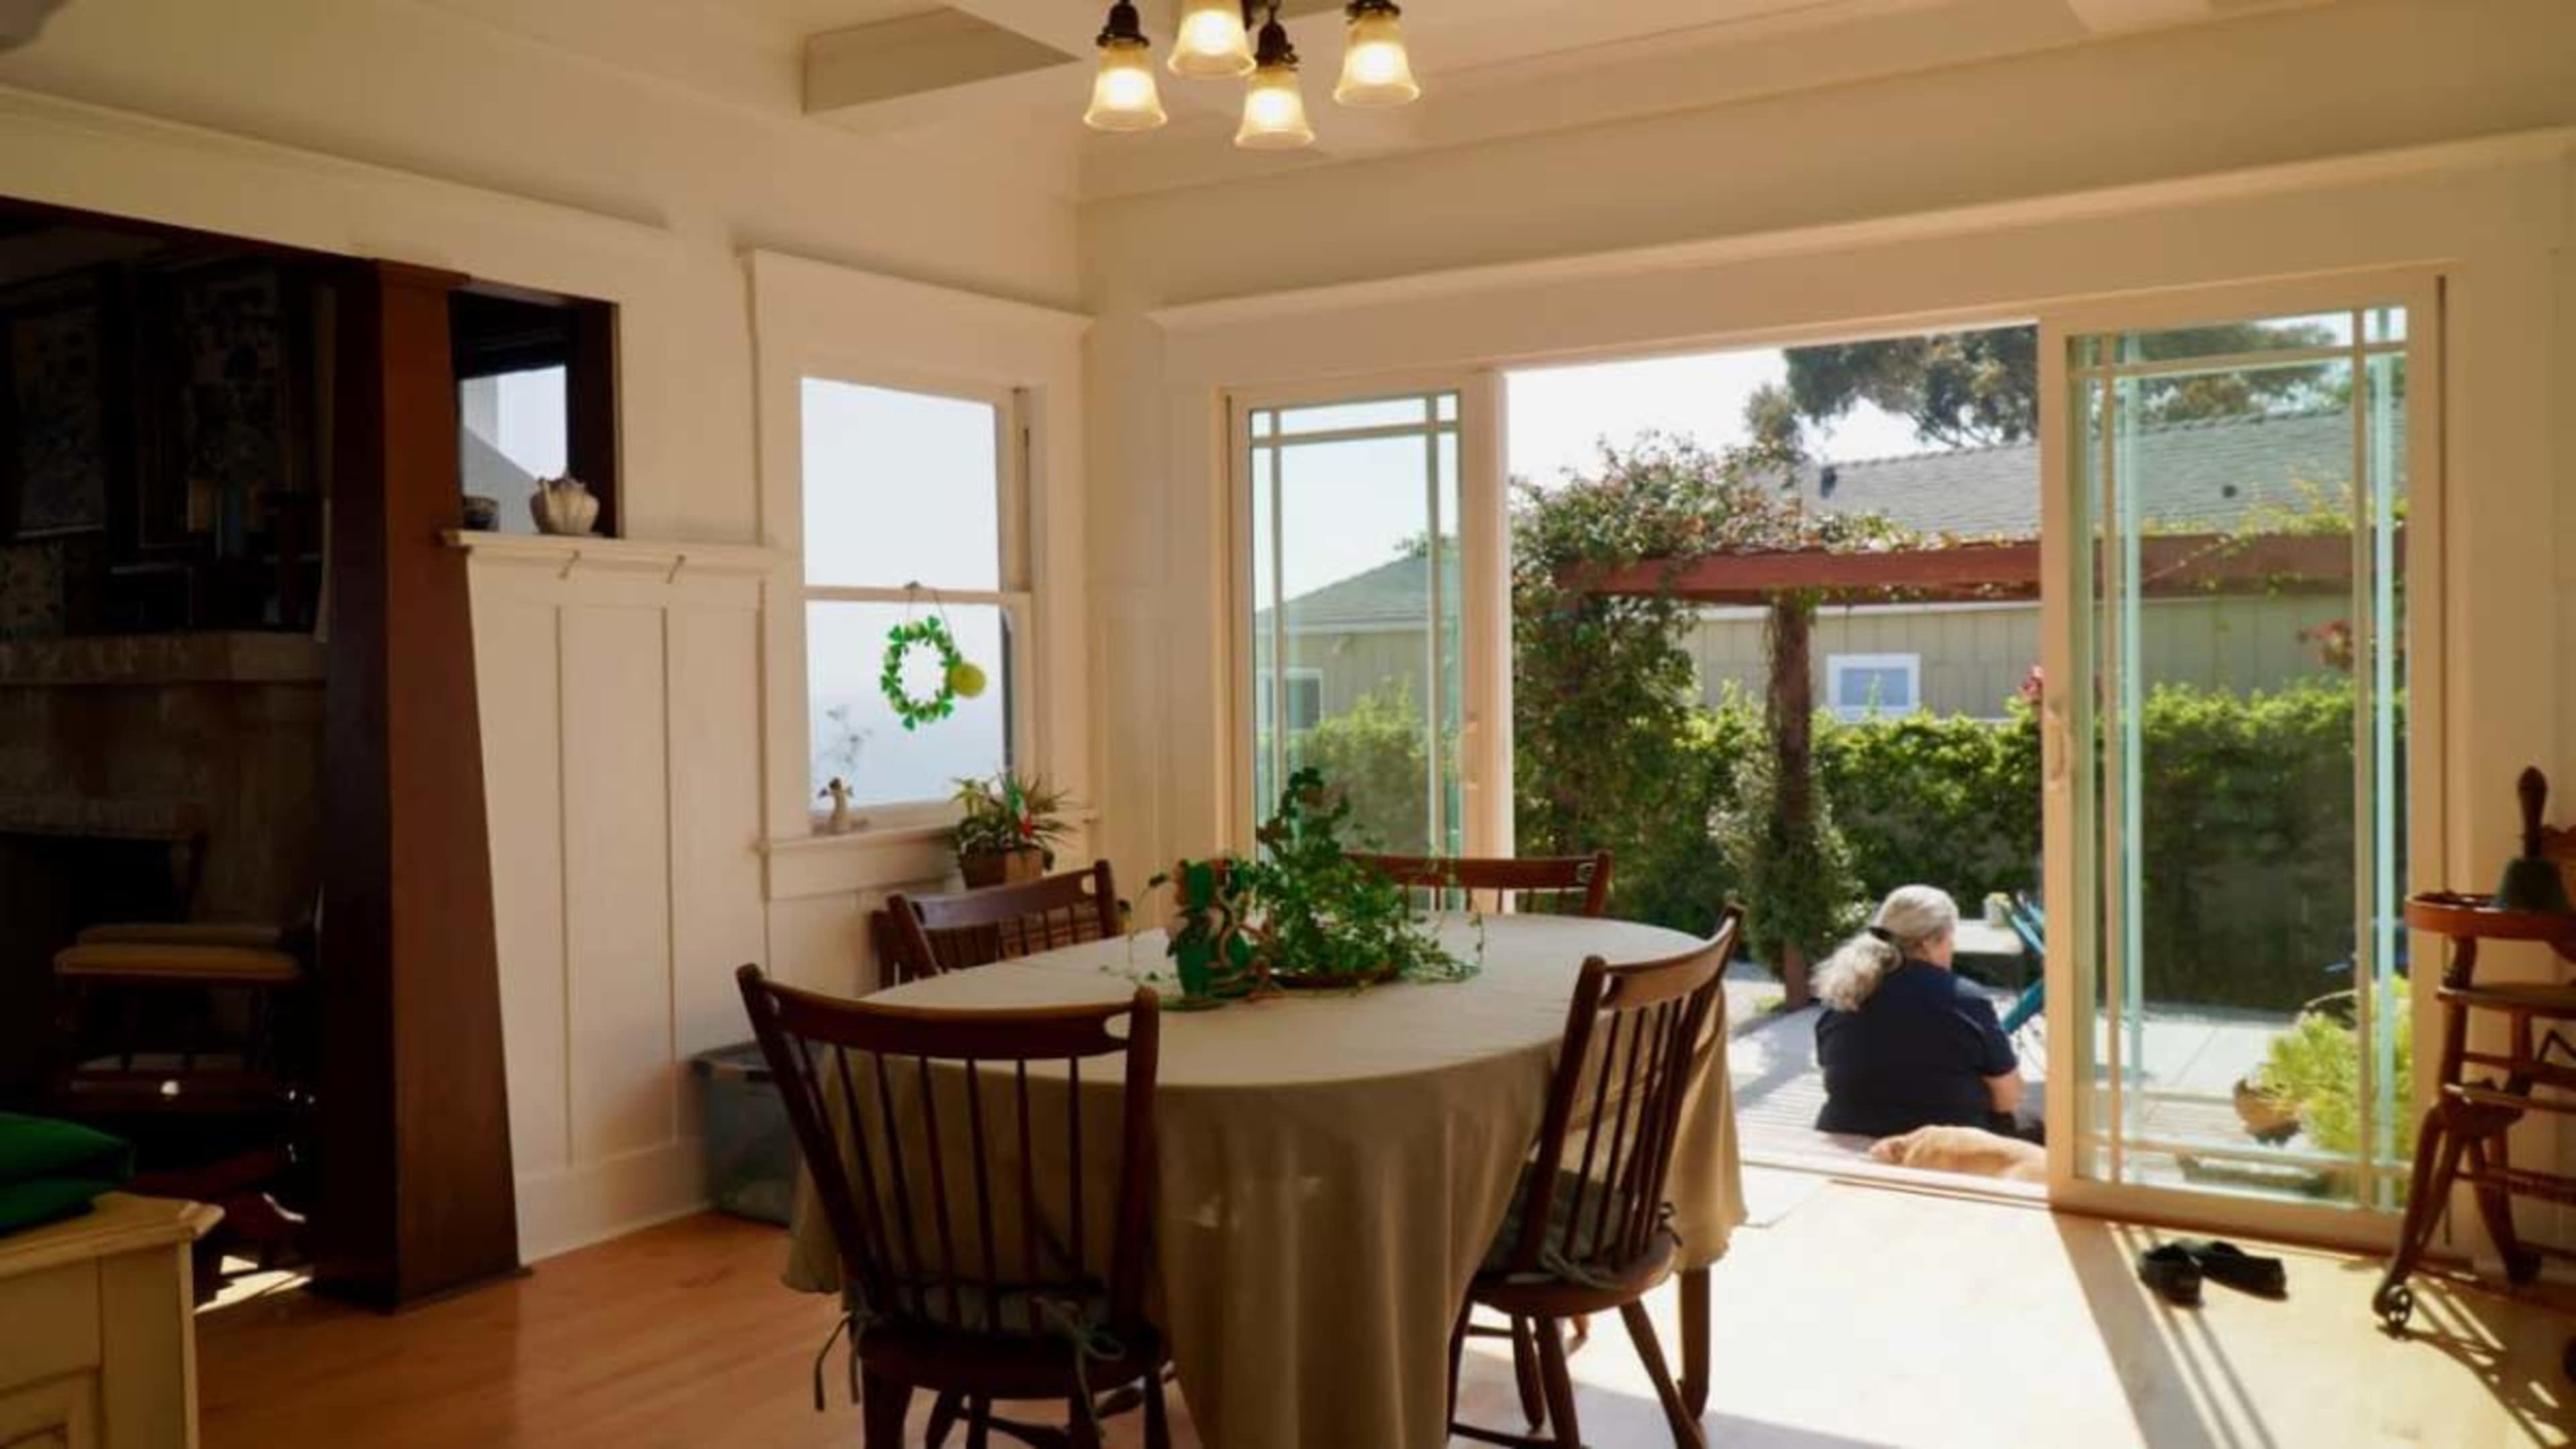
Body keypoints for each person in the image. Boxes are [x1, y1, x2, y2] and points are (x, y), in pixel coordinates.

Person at [1812, 885, 2024, 1138]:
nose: (1953, 947)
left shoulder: (1844, 993)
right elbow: (2008, 1099)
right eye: (1950, 938)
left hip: (1846, 1142)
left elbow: (1837, 1074)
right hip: (1940, 1154)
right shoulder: (1964, 1000)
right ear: (1928, 943)